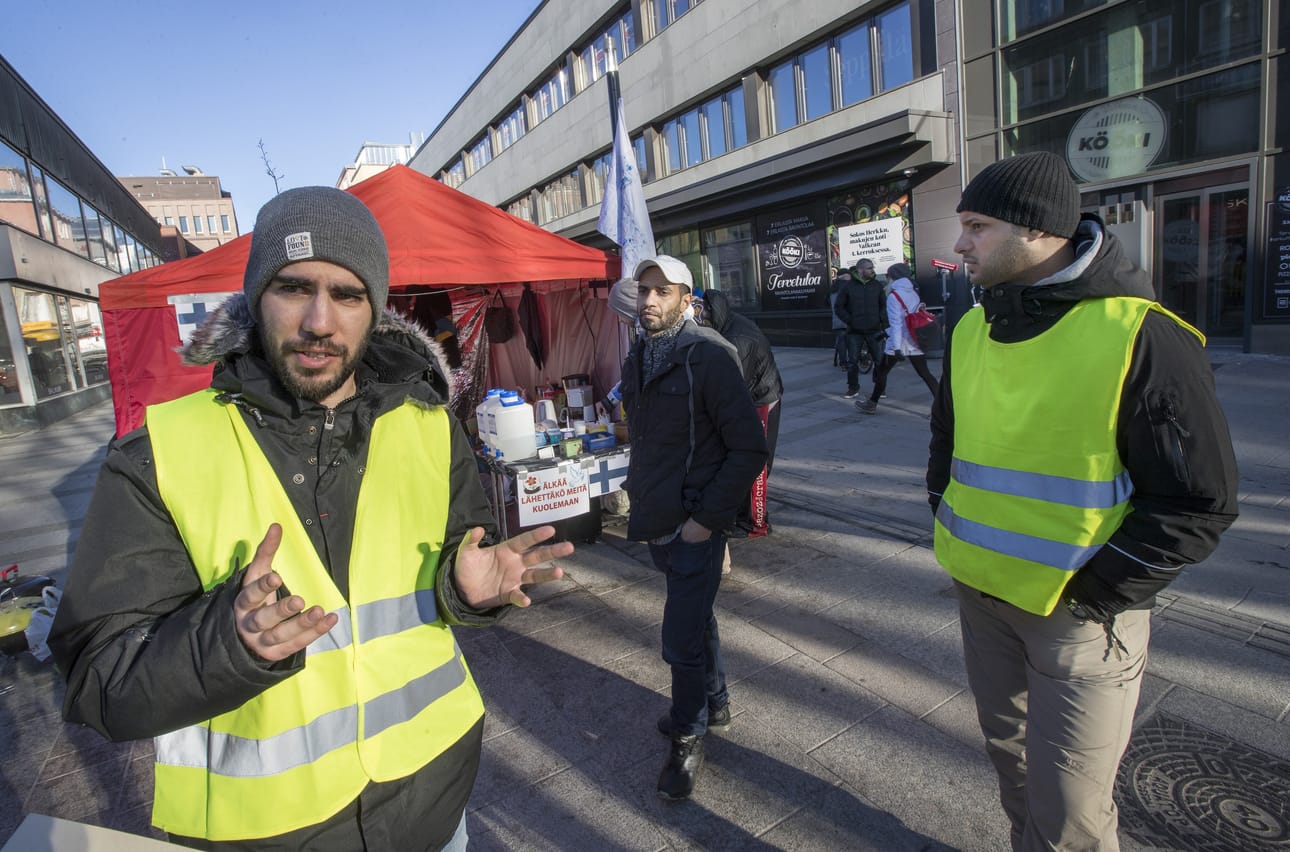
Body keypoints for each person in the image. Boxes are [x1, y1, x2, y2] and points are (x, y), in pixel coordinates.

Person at [49, 186, 572, 851]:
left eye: (348, 295)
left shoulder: (429, 428)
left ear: (374, 308)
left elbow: (432, 588)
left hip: (434, 806)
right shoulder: (159, 455)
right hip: (268, 831)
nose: (320, 321)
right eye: (294, 288)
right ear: (254, 299)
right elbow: (99, 680)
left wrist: (462, 592)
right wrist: (227, 645)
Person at [928, 152, 1238, 851]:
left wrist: (1096, 596)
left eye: (976, 225)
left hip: (1079, 617)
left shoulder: (1144, 334)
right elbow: (946, 444)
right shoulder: (971, 329)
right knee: (1010, 768)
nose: (959, 244)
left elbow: (1200, 501)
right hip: (981, 597)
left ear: (1037, 229)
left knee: (1070, 810)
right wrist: (948, 525)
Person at [620, 255, 767, 802]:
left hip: (693, 525)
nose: (650, 300)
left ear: (687, 299)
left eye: (663, 291)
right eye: (644, 290)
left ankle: (689, 732)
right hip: (656, 518)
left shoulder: (708, 355)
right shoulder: (639, 355)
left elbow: (749, 447)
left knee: (679, 637)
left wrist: (705, 524)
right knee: (698, 618)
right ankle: (716, 701)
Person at [699, 288, 783, 539]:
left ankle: (757, 523)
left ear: (715, 311)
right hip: (754, 395)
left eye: (704, 310)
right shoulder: (728, 326)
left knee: (756, 460)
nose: (701, 315)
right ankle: (743, 513)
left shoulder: (738, 339)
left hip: (761, 399)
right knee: (746, 457)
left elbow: (736, 384)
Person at [856, 262, 938, 415]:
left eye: (888, 276)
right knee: (926, 374)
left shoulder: (894, 296)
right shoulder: (913, 292)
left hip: (898, 343)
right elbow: (910, 317)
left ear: (893, 277)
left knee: (881, 372)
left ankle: (872, 403)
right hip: (914, 340)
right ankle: (942, 408)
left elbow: (897, 323)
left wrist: (898, 347)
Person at [833, 258, 885, 398]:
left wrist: (882, 324)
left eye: (872, 267)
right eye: (869, 268)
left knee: (879, 360)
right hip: (854, 331)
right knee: (852, 362)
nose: (872, 270)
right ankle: (853, 388)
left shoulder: (877, 285)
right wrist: (850, 321)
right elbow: (838, 307)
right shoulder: (848, 286)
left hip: (874, 330)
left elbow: (883, 306)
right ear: (860, 270)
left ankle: (880, 388)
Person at [829, 268, 849, 368]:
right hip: (848, 318)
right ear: (846, 276)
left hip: (837, 320)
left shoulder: (833, 288)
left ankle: (843, 363)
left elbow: (827, 302)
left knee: (842, 341)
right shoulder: (848, 286)